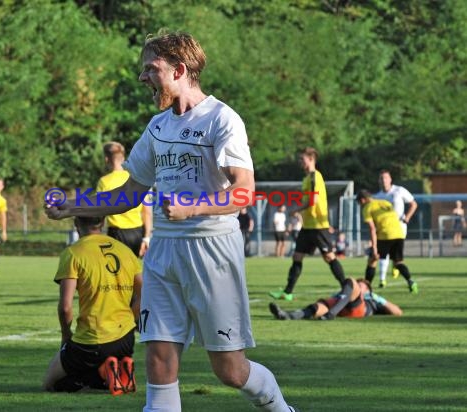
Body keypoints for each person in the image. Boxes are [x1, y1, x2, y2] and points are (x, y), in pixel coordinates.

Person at [46, 31, 296, 412]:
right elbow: (125, 195)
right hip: (164, 253)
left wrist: (191, 208)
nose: (143, 77)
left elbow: (244, 191)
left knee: (229, 370)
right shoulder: (158, 127)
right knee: (159, 358)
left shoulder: (221, 119)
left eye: (152, 68)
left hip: (212, 252)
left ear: (179, 70)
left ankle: (280, 408)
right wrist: (71, 204)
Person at [43, 216, 143, 395]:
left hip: (91, 341)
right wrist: (130, 317)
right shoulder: (125, 250)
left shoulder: (74, 253)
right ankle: (116, 371)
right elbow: (146, 295)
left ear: (76, 224)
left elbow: (65, 307)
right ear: (103, 223)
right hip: (126, 340)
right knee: (89, 362)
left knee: (51, 383)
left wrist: (66, 336)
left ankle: (103, 372)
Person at [269, 147, 346, 301]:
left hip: (318, 226)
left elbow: (313, 201)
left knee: (329, 257)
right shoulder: (306, 179)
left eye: (302, 159)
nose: (300, 162)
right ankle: (288, 292)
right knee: (297, 257)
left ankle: (347, 288)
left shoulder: (314, 177)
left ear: (311, 159)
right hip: (307, 226)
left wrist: (296, 210)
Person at [97, 142, 153, 257]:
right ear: (123, 158)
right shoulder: (137, 178)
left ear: (107, 159)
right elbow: (147, 211)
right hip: (137, 233)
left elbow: (99, 211)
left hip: (116, 233)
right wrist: (147, 238)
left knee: (117, 272)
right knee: (136, 270)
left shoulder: (104, 181)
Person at [356, 190, 418, 294]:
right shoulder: (385, 203)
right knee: (398, 262)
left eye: (359, 203)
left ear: (362, 200)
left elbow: (372, 228)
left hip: (385, 235)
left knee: (373, 260)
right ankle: (411, 281)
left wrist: (374, 247)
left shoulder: (367, 207)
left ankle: (366, 288)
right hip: (399, 233)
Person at [269, 277, 402, 321]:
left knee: (350, 280)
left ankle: (331, 313)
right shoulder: (343, 293)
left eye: (361, 285)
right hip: (340, 306)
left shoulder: (371, 300)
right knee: (318, 306)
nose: (359, 285)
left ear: (367, 290)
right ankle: (288, 315)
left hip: (356, 309)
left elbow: (397, 312)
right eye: (358, 284)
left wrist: (379, 299)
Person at [374, 170, 417, 287]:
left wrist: (407, 217)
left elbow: (413, 203)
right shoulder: (377, 197)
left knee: (396, 254)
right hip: (384, 229)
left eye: (386, 178)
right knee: (384, 253)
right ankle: (382, 280)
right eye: (381, 178)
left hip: (399, 227)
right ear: (379, 181)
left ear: (390, 179)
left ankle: (396, 265)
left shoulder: (399, 190)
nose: (384, 180)